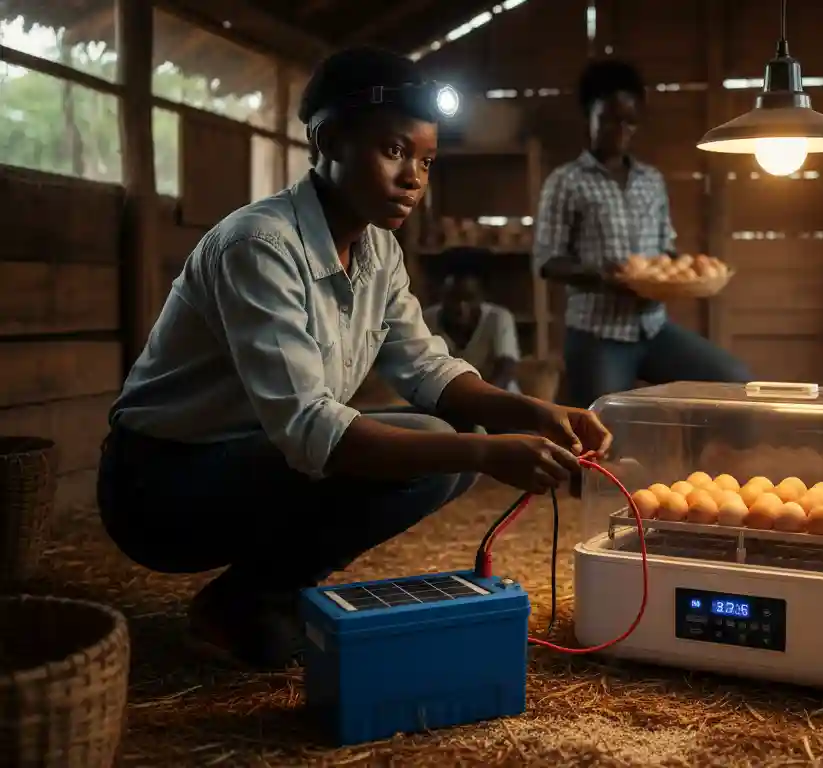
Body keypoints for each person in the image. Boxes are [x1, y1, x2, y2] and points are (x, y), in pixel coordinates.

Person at [96, 47, 612, 672]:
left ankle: (250, 595)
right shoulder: (259, 245)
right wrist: (485, 451)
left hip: (260, 462)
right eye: (394, 151)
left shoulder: (378, 252)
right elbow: (313, 429)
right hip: (163, 485)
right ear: (329, 140)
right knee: (442, 451)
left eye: (425, 161)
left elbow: (427, 370)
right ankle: (251, 597)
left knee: (442, 441)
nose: (414, 178)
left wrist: (531, 412)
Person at [533, 58, 752, 409]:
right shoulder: (566, 182)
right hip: (597, 334)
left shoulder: (651, 181)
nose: (619, 130)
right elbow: (548, 262)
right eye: (608, 119)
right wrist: (609, 277)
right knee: (604, 428)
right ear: (589, 115)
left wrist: (689, 270)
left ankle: (703, 462)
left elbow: (664, 251)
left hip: (653, 329)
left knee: (735, 382)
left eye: (629, 121)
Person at [422, 274, 521, 394]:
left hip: (497, 394)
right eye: (453, 298)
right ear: (442, 297)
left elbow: (506, 368)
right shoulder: (427, 319)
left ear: (481, 298)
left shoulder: (498, 318)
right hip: (447, 398)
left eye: (469, 298)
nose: (461, 306)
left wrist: (482, 397)